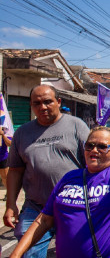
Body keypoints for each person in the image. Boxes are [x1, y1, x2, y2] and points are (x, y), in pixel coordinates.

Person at [10, 84, 110, 258]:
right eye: (90, 145)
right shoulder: (69, 178)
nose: (94, 150)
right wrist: (16, 254)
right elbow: (44, 219)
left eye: (102, 146)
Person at [4, 85, 90, 257]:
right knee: (29, 253)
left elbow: (94, 165)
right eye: (37, 103)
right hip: (36, 207)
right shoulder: (22, 133)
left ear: (58, 102)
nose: (42, 107)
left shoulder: (76, 126)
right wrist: (10, 204)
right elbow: (15, 170)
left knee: (77, 253)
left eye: (47, 102)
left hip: (73, 207)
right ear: (31, 106)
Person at [0, 127, 12, 201]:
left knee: (5, 177)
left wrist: (3, 135)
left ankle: (9, 194)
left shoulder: (6, 130)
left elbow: (10, 143)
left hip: (2, 158)